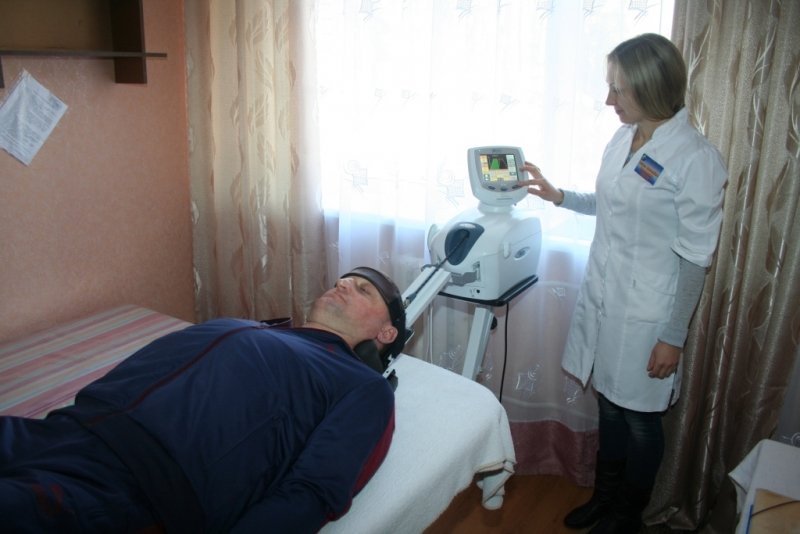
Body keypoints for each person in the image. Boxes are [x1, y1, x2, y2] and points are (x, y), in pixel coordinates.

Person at [0, 266, 407, 534]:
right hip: (64, 430)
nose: (342, 284)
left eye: (362, 290)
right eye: (342, 280)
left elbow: (314, 490)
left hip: (136, 486)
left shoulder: (361, 386)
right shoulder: (260, 329)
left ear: (386, 333)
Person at [521, 34, 727, 534]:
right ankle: (604, 499)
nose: (608, 99)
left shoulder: (695, 159)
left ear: (651, 88)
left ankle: (626, 516)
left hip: (649, 316)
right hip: (606, 298)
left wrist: (673, 336)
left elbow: (696, 258)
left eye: (618, 89)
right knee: (610, 407)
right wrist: (559, 196)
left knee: (641, 420)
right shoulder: (625, 138)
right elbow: (612, 202)